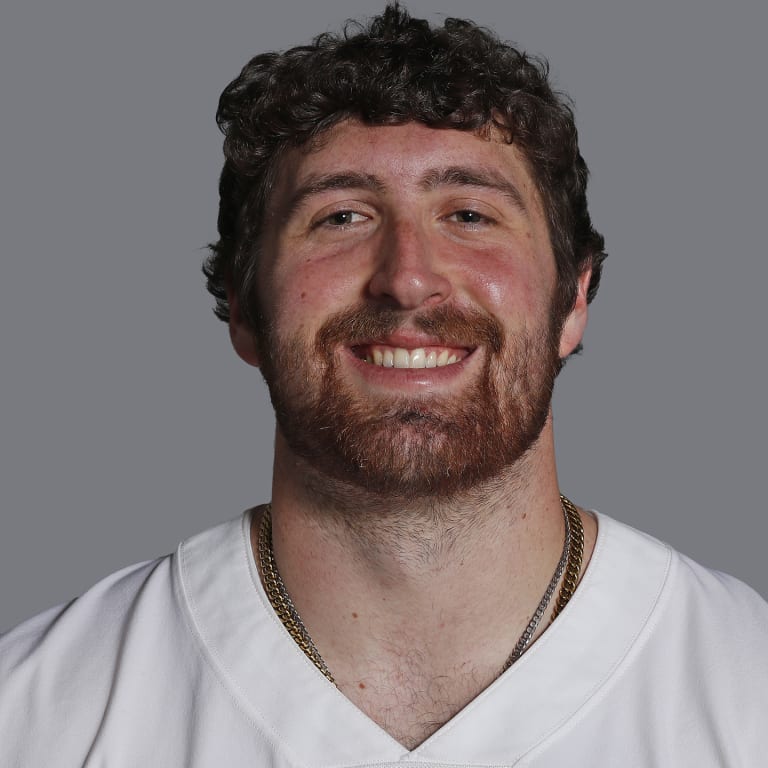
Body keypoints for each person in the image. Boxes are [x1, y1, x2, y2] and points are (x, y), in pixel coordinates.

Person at [1, 4, 766, 765]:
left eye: (468, 213)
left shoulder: (745, 693)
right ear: (244, 306)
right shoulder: (35, 714)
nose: (406, 279)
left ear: (572, 300)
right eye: (341, 217)